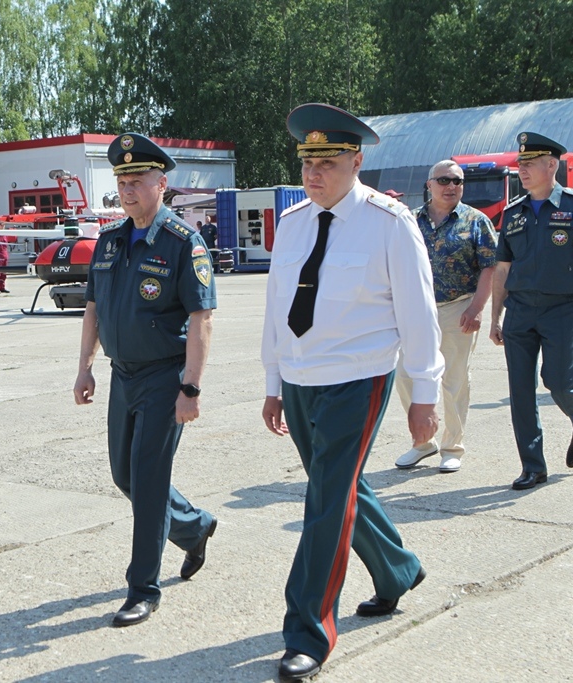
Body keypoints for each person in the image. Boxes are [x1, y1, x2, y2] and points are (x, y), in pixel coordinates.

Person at [260, 104, 442, 680]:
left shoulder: (389, 222)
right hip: (299, 379)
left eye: (328, 163)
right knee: (338, 487)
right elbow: (275, 310)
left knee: (324, 504)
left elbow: (418, 314)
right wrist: (272, 383)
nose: (314, 174)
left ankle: (308, 631)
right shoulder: (292, 222)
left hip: (358, 378)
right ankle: (397, 569)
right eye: (307, 163)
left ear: (356, 162)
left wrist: (425, 395)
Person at [74, 133, 218, 628]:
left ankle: (143, 589)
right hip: (123, 375)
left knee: (150, 483)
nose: (128, 189)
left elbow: (201, 318)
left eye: (138, 180)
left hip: (164, 376)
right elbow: (94, 308)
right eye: (122, 181)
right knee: (125, 476)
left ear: (162, 184)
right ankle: (195, 527)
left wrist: (190, 387)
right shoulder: (110, 240)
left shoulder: (182, 243)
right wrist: (85, 366)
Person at [489, 132, 573, 490]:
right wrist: (495, 317)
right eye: (521, 164)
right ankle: (533, 466)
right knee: (520, 391)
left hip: (562, 309)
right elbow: (502, 269)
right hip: (519, 310)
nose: (523, 170)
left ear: (552, 165)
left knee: (559, 382)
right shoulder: (513, 212)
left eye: (530, 164)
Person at [395, 161, 497, 473]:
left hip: (457, 308)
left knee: (454, 380)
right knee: (405, 375)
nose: (451, 186)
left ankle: (452, 447)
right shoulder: (410, 219)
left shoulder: (476, 221)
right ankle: (422, 442)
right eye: (443, 180)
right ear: (429, 184)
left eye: (457, 181)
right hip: (416, 310)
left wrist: (476, 308)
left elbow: (490, 267)